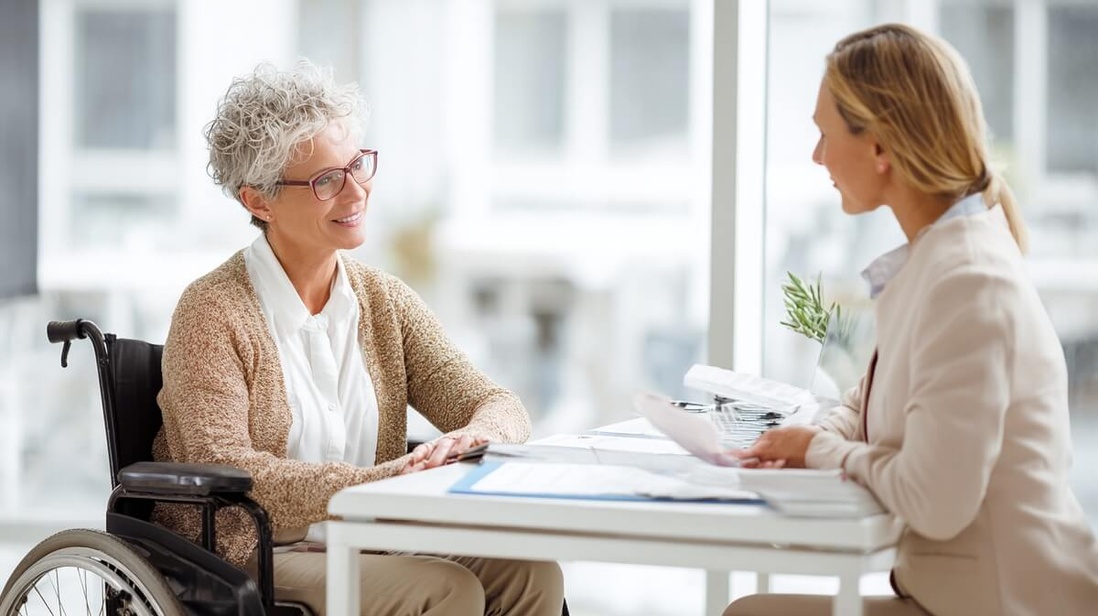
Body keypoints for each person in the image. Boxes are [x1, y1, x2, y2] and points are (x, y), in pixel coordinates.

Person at [150, 61, 564, 616]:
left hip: (366, 538)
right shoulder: (212, 311)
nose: (356, 191)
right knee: (447, 590)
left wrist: (473, 439)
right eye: (326, 180)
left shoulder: (383, 301)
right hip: (252, 552)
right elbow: (227, 467)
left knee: (531, 573)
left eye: (357, 165)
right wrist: (383, 479)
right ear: (258, 201)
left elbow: (497, 403)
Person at [724, 23, 1098, 616]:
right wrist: (817, 437)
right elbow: (872, 399)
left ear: (880, 148)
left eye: (823, 134)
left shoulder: (968, 281)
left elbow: (934, 502)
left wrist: (820, 452)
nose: (816, 155)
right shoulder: (938, 261)